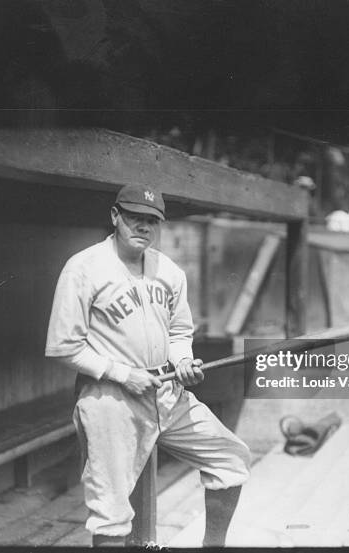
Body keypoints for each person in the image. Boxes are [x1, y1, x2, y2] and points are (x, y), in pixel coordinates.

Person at [45, 184, 250, 547]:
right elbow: (64, 347)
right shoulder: (83, 268)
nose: (144, 228)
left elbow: (180, 331)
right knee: (111, 512)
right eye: (135, 218)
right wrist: (123, 374)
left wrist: (183, 360)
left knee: (230, 458)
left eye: (152, 221)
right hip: (111, 399)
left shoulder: (169, 270)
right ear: (115, 216)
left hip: (167, 391)